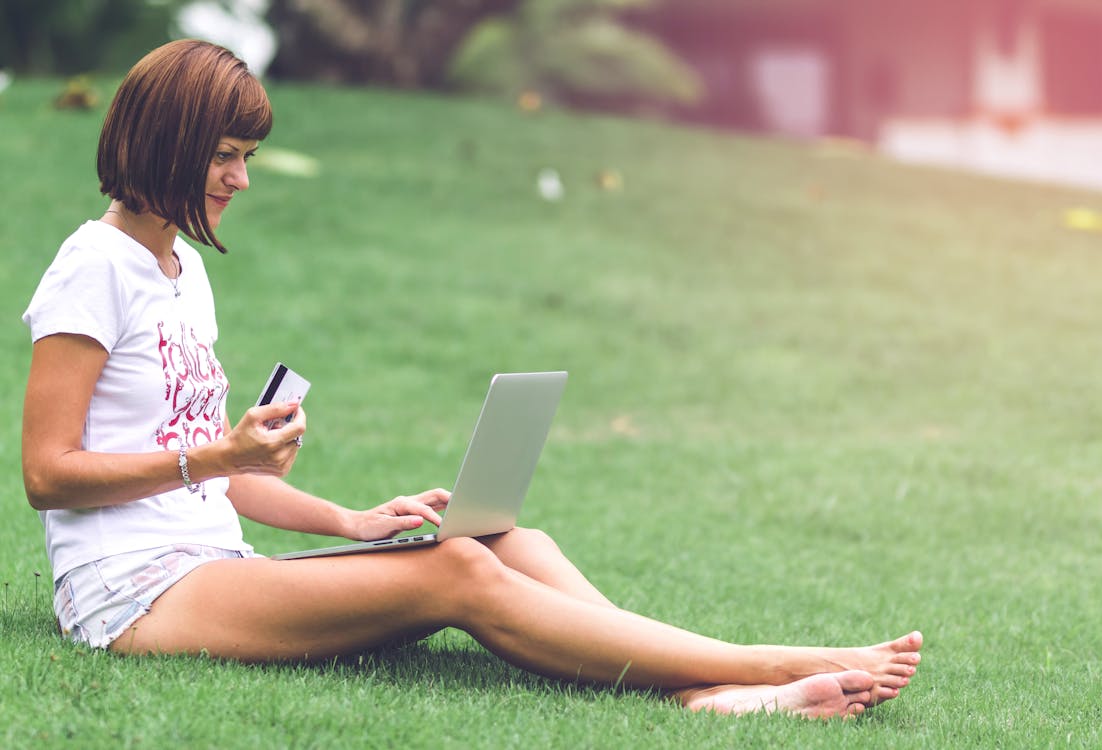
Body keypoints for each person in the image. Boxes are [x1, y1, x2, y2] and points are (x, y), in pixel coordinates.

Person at [20, 39, 922, 720]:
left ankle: (701, 690)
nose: (242, 179)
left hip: (216, 562)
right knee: (456, 571)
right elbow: (47, 474)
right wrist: (216, 453)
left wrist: (347, 519)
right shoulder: (91, 266)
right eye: (226, 154)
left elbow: (214, 475)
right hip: (132, 594)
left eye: (247, 155)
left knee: (505, 541)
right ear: (170, 144)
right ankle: (755, 667)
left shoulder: (182, 270)